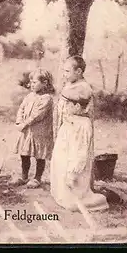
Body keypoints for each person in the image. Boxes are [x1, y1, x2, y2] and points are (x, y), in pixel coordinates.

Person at [50, 56, 109, 212]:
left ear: (79, 71)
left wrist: (63, 91)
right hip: (68, 126)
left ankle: (76, 194)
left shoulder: (83, 87)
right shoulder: (70, 84)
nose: (64, 74)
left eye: (68, 71)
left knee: (76, 157)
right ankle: (64, 194)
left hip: (79, 126)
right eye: (64, 71)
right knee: (61, 158)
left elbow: (76, 97)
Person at [11, 68, 55, 189]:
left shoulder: (47, 99)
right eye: (30, 82)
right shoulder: (29, 96)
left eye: (34, 82)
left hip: (40, 133)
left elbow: (36, 116)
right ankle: (24, 176)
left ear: (45, 83)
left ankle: (37, 178)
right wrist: (19, 121)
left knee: (39, 155)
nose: (31, 85)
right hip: (27, 133)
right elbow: (22, 108)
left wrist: (23, 124)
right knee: (24, 154)